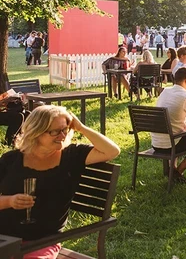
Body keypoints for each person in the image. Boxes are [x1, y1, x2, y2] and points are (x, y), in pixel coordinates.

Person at [0, 106, 120, 254]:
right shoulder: (11, 160)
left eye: (65, 130)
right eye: (55, 131)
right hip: (5, 237)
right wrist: (9, 201)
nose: (62, 136)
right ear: (36, 132)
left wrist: (81, 128)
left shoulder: (72, 156)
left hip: (42, 241)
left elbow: (112, 151)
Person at [152, 68, 186, 182]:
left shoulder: (165, 91)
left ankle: (173, 170)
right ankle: (177, 172)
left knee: (182, 133)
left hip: (156, 143)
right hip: (171, 144)